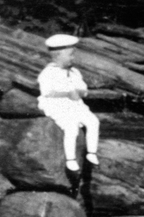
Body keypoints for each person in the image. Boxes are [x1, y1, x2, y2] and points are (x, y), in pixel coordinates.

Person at [37, 34, 100, 174]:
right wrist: (66, 94)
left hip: (75, 105)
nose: (73, 58)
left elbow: (83, 89)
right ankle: (70, 159)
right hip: (57, 105)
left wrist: (80, 93)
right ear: (58, 55)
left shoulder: (74, 72)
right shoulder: (48, 73)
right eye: (70, 55)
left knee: (93, 121)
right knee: (71, 126)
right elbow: (47, 93)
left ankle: (92, 152)